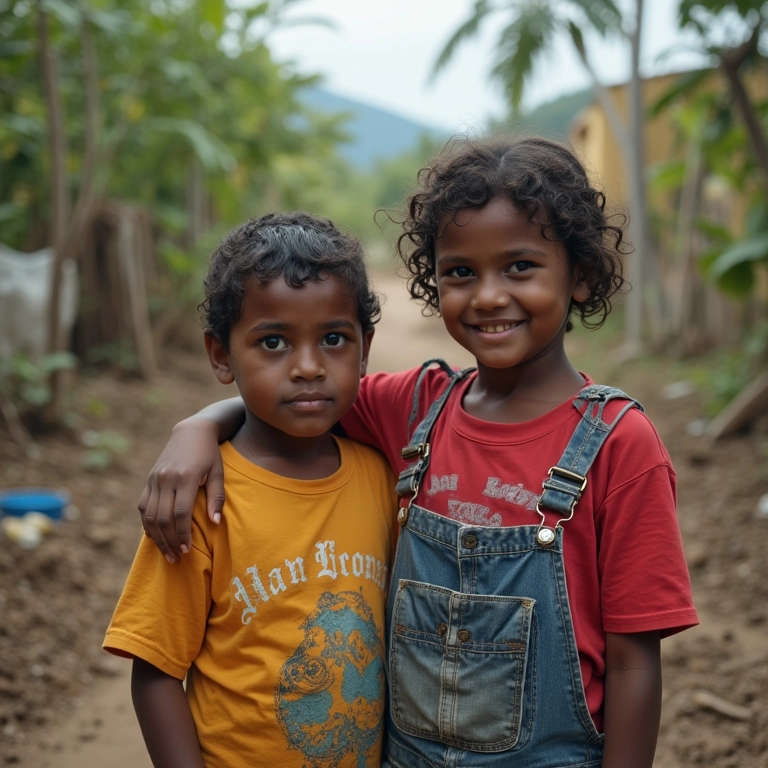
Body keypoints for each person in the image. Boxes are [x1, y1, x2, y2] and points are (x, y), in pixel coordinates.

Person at [136, 137, 699, 768]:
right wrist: (199, 426)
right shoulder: (416, 408)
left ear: (582, 275)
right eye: (461, 271)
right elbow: (296, 397)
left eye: (520, 266)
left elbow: (632, 664)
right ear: (434, 282)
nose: (487, 296)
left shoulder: (619, 445)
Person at [103, 212, 397, 768]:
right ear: (220, 355)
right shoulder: (204, 497)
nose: (308, 367)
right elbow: (156, 672)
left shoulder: (380, 476)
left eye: (334, 339)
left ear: (364, 347)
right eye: (273, 342)